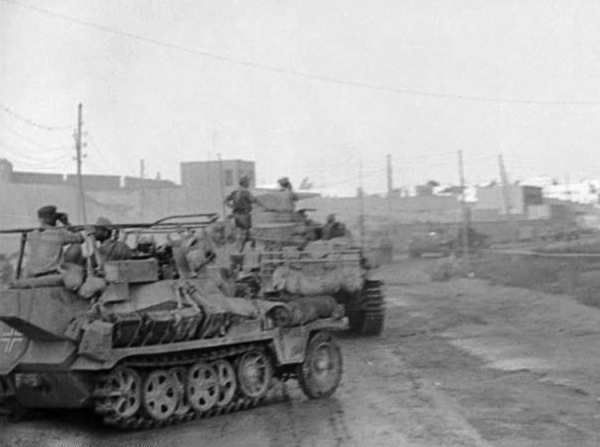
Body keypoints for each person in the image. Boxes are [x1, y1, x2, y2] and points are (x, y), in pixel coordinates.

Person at [24, 205, 84, 278]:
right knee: (76, 246)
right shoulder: (58, 232)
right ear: (54, 217)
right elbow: (80, 238)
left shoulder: (32, 234)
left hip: (33, 271)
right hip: (51, 270)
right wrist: (66, 223)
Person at [224, 175, 258, 251]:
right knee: (247, 230)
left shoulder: (235, 192)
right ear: (245, 183)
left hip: (236, 214)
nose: (249, 184)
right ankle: (247, 247)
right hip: (245, 214)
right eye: (248, 182)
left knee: (241, 231)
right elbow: (253, 200)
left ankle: (242, 247)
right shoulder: (246, 192)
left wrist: (231, 206)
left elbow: (226, 200)